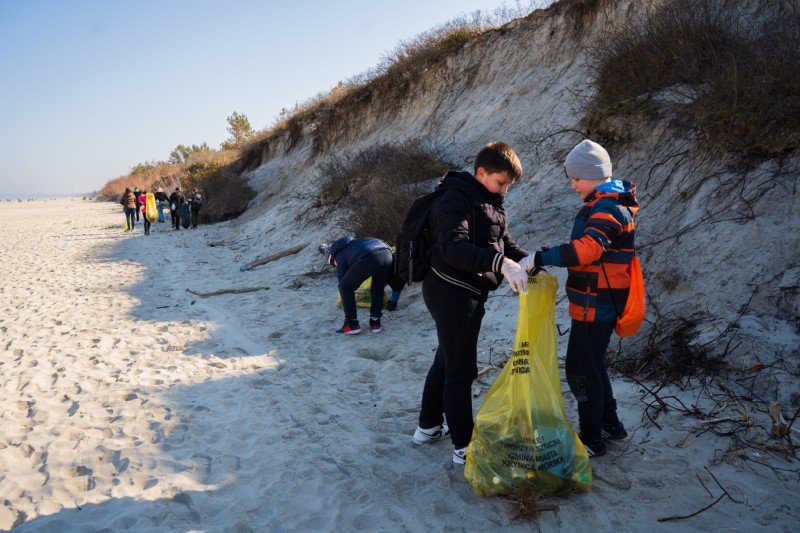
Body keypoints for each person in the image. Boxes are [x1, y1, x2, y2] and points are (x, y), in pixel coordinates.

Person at [518, 139, 638, 457]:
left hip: (597, 306)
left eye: (576, 179)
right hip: (594, 303)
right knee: (593, 364)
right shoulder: (602, 203)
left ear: (594, 175)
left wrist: (539, 259)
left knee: (578, 370)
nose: (573, 185)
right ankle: (611, 425)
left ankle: (591, 439)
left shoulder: (608, 206)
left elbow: (588, 249)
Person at [412, 142, 530, 465]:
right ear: (481, 173)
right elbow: (453, 247)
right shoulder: (455, 196)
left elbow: (502, 241)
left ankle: (428, 426)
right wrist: (501, 264)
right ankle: (465, 447)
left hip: (470, 292)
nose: (504, 190)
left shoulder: (489, 200)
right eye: (501, 182)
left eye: (508, 185)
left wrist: (528, 260)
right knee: (461, 370)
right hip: (449, 289)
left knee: (446, 357)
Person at [319, 236, 394, 334]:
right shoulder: (354, 243)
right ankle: (375, 323)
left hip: (369, 257)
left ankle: (352, 325)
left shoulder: (339, 254)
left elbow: (343, 284)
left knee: (344, 288)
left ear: (331, 255)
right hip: (387, 254)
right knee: (377, 288)